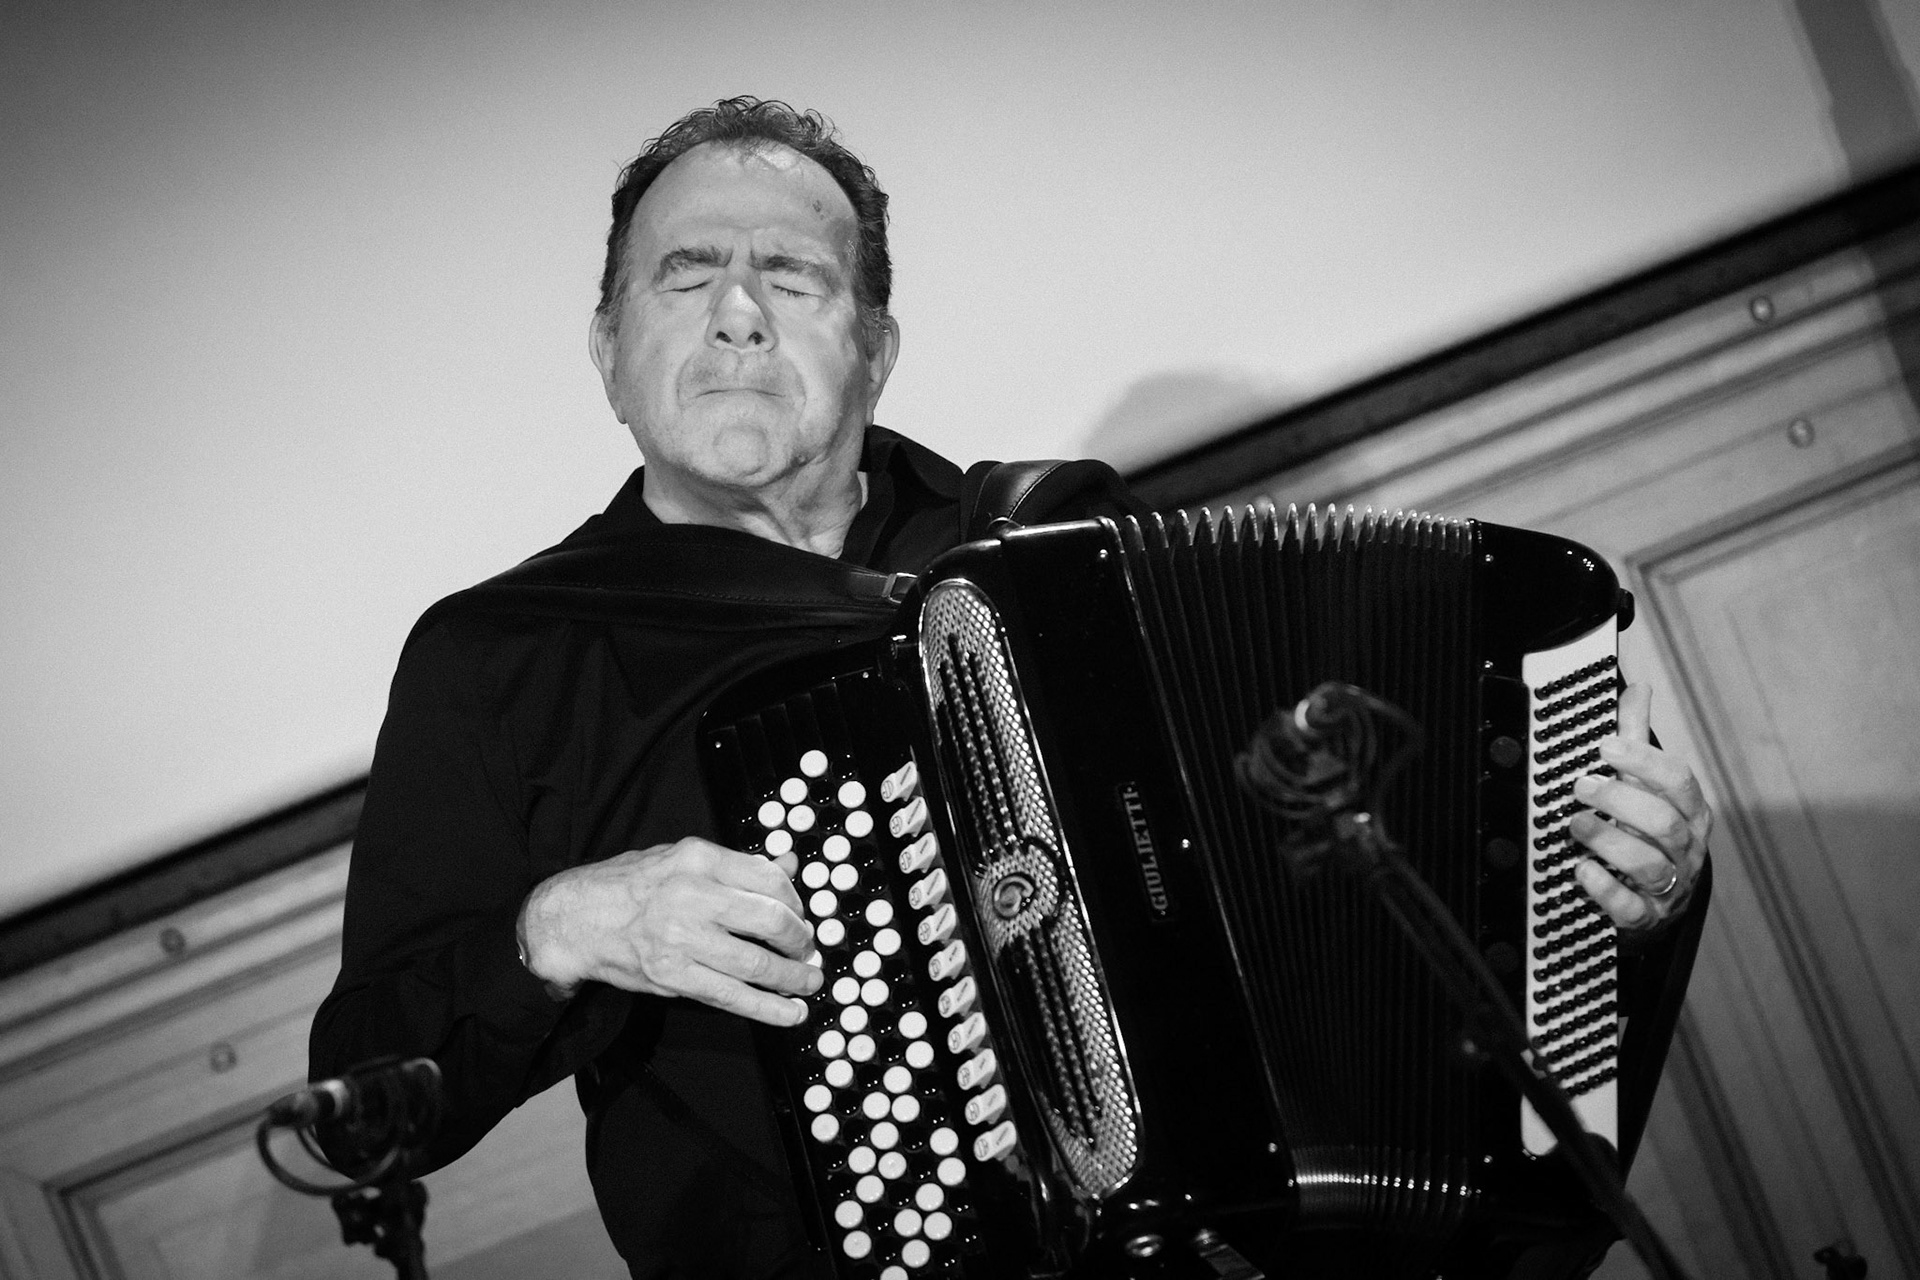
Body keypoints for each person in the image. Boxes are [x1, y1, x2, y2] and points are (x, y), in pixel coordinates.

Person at [310, 97, 1712, 1280]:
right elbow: (370, 1088)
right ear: (607, 349)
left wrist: (1621, 895)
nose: (736, 317)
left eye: (791, 279)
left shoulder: (1061, 557)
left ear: (875, 344)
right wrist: (564, 925)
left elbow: (1353, 900)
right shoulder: (502, 660)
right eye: (683, 278)